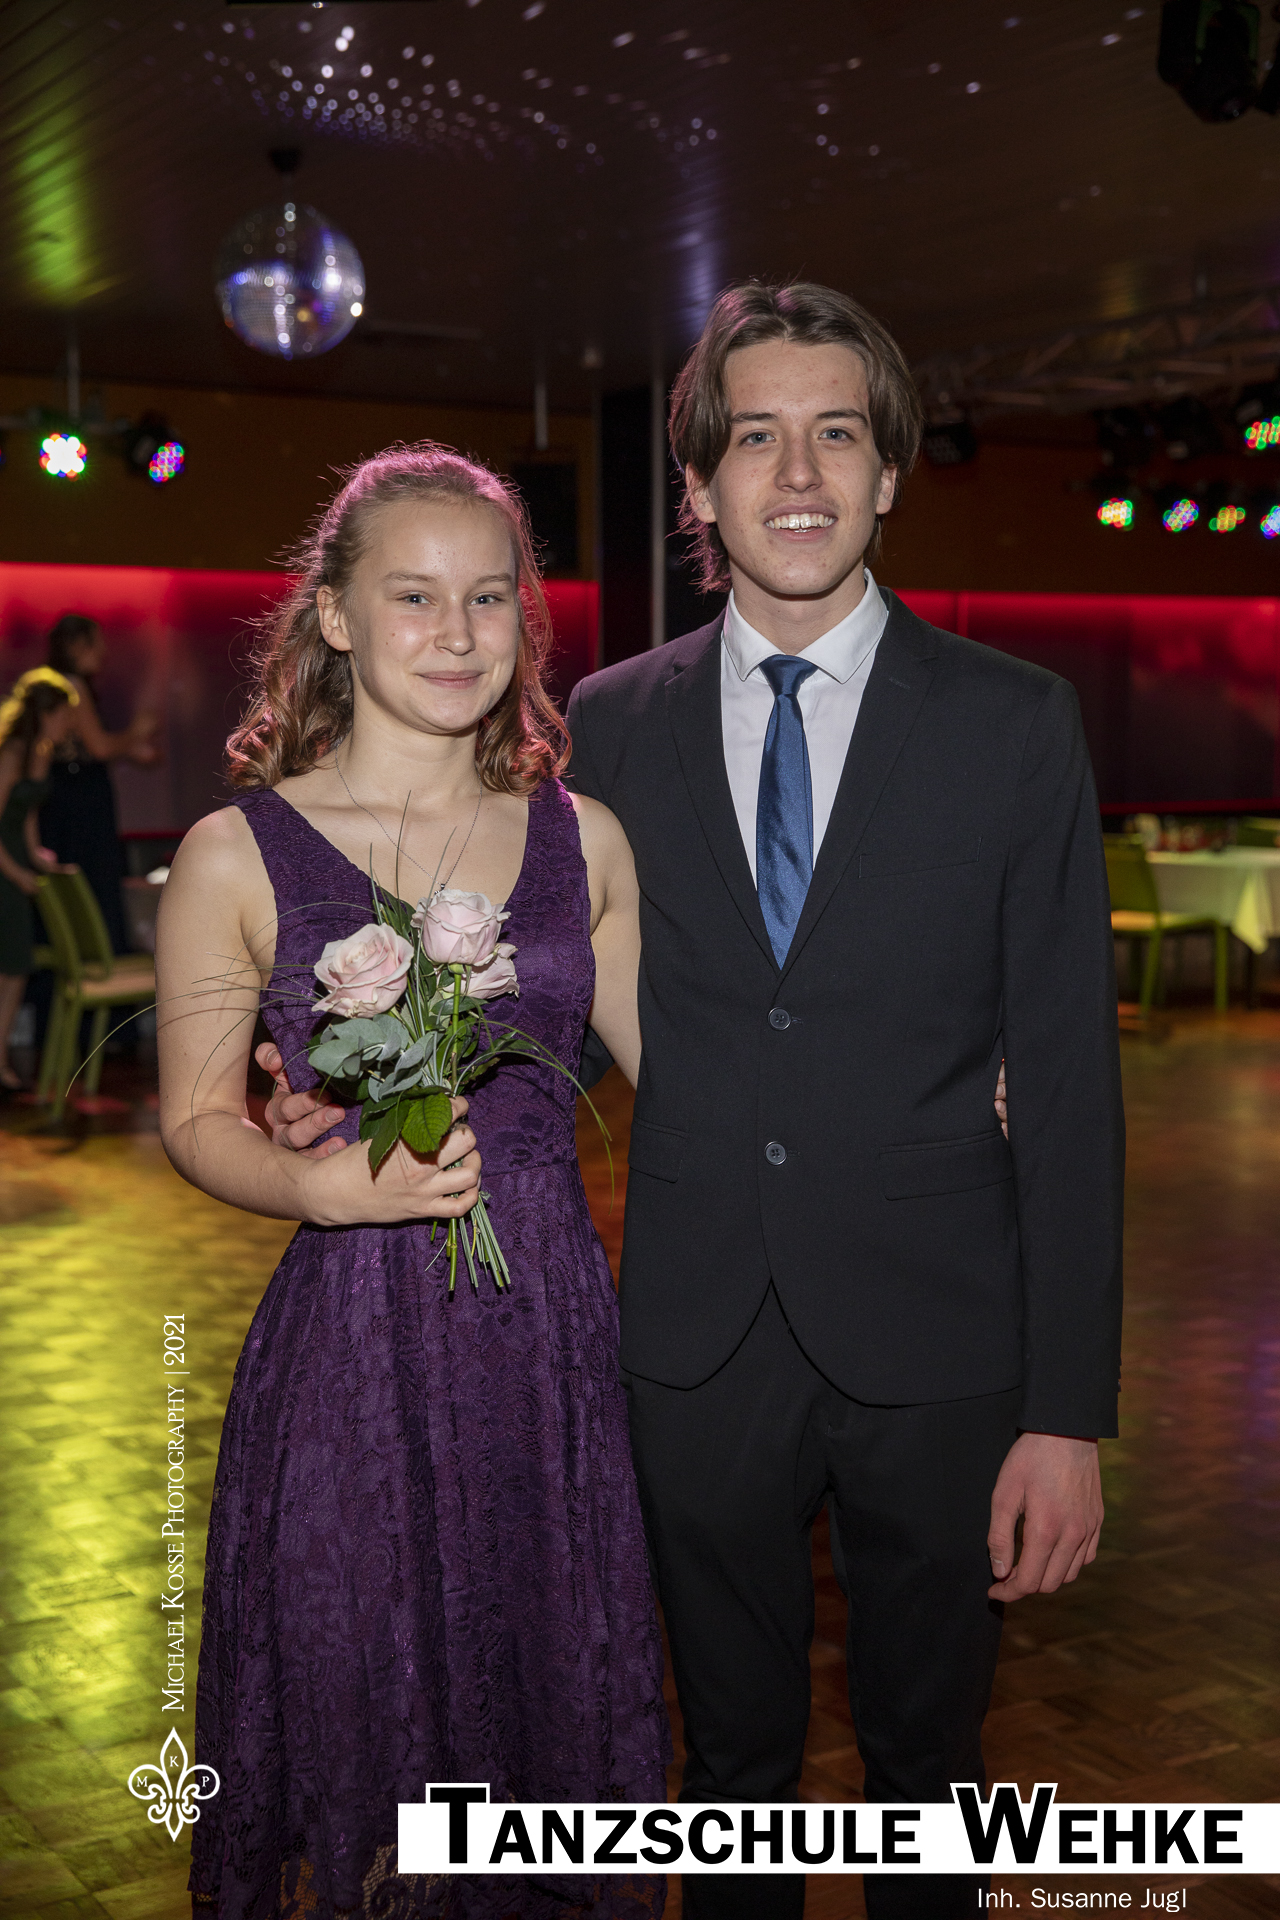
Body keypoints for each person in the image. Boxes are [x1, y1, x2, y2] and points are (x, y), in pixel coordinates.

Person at [265, 283, 1124, 1920]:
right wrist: (373, 1087)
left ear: (887, 473)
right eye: (756, 440)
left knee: (931, 1765)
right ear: (701, 489)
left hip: (946, 1342)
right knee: (725, 1765)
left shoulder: (1017, 725)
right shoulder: (606, 725)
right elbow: (563, 1007)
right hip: (691, 1336)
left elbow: (1073, 1089)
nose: (797, 474)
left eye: (837, 435)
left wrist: (1067, 1413)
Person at [155, 444, 670, 1920]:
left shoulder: (584, 838)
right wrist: (312, 1187)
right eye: (414, 597)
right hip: (353, 1350)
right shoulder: (234, 854)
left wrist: (926, 1090)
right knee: (370, 1721)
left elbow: (693, 1076)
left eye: (489, 598)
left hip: (549, 1336)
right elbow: (196, 1119)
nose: (457, 634)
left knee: (540, 1704)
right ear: (333, 614)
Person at [42, 613, 160, 954]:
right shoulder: (71, 684)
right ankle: (100, 960)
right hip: (78, 799)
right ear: (77, 645)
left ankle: (81, 962)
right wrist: (136, 733)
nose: (104, 652)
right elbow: (99, 748)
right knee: (93, 877)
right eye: (96, 643)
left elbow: (91, 747)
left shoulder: (54, 683)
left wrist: (132, 750)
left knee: (80, 878)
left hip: (67, 794)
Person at [0, 670, 81, 1090]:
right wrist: (16, 873)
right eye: (64, 714)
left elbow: (28, 814)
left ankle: (0, 1061)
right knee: (11, 967)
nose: (69, 723)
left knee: (16, 968)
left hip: (16, 864)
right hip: (2, 868)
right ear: (46, 713)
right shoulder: (12, 753)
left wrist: (37, 857)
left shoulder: (40, 752)